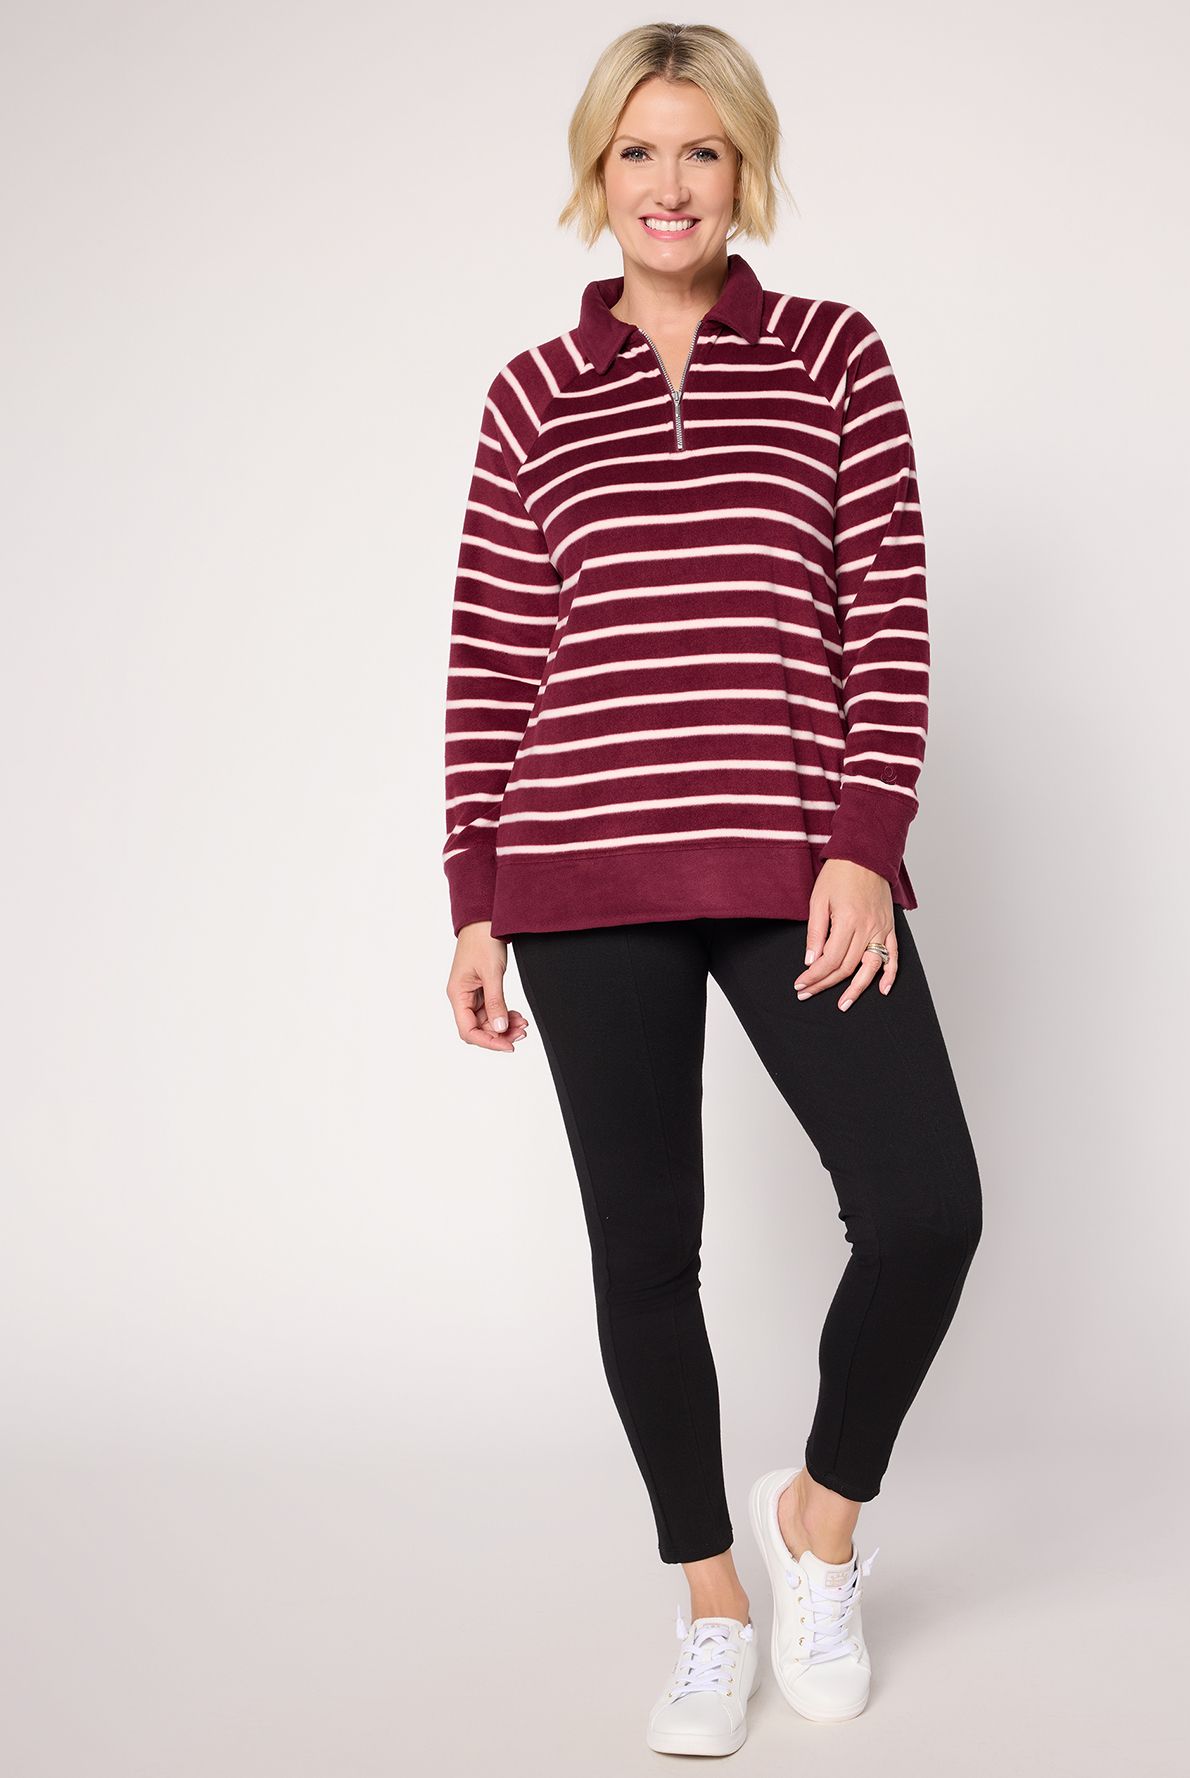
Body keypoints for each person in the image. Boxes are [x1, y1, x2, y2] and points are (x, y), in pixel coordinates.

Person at [439, 22, 983, 1758]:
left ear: (745, 169)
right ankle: (712, 1603)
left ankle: (818, 1520)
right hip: (578, 871)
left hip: (789, 860)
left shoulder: (833, 356)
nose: (667, 185)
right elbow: (494, 660)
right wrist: (472, 895)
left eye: (701, 151)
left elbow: (886, 614)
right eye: (636, 153)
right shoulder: (533, 396)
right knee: (643, 1253)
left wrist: (864, 843)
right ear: (595, 175)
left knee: (926, 1207)